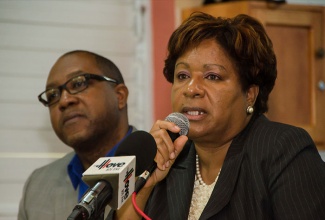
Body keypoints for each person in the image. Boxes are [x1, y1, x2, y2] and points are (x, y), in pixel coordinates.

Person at [112, 12, 325, 219]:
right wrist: (146, 183)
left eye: (212, 76)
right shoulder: (170, 157)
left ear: (249, 94)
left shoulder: (284, 150)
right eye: (182, 76)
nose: (191, 88)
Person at [18, 50, 136, 220]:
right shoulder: (37, 186)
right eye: (53, 95)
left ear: (120, 96)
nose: (64, 100)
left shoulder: (164, 166)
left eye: (79, 83)